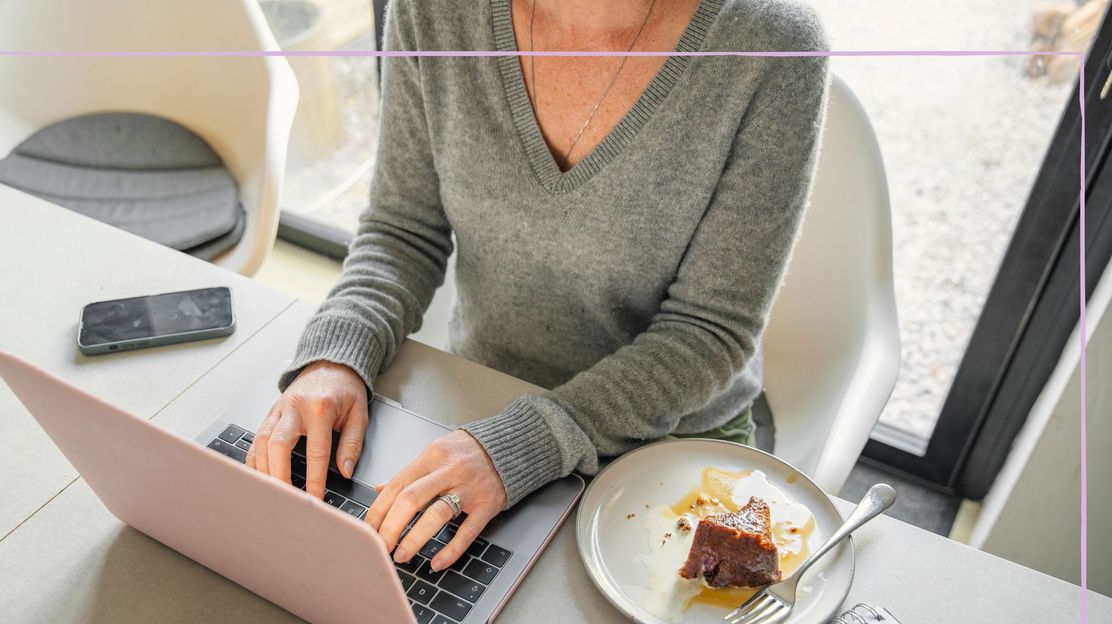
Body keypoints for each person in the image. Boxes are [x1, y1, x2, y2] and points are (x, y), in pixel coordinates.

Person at [247, 0, 829, 571]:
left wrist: (522, 445)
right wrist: (337, 355)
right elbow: (404, 227)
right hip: (481, 396)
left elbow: (709, 330)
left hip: (671, 436)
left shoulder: (772, 42)